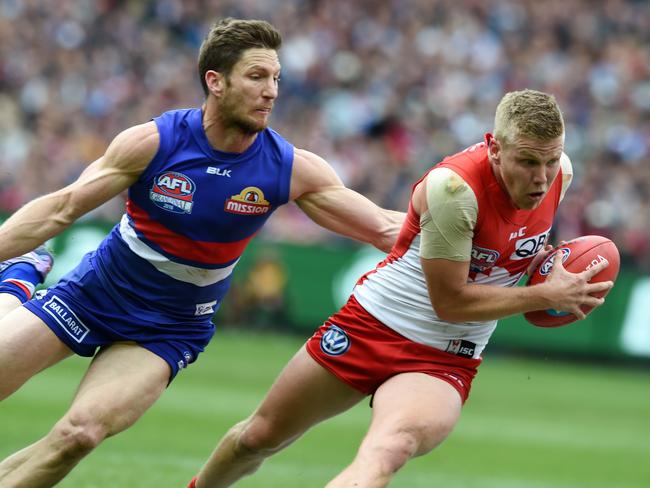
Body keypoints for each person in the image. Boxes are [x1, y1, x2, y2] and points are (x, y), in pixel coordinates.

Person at [0, 18, 404, 487]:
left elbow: (383, 227)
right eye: (256, 77)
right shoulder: (154, 142)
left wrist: (494, 256)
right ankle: (18, 279)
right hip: (92, 294)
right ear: (215, 81)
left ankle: (17, 283)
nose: (271, 91)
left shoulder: (288, 168)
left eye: (276, 79)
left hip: (169, 327)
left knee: (80, 434)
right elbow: (62, 209)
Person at [187, 89, 614, 488]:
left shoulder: (563, 175)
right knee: (258, 437)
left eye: (551, 161)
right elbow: (450, 301)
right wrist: (545, 294)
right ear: (495, 148)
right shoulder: (454, 189)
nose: (542, 178)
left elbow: (508, 249)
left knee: (387, 450)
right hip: (373, 323)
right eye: (527, 162)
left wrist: (546, 268)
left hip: (445, 355)